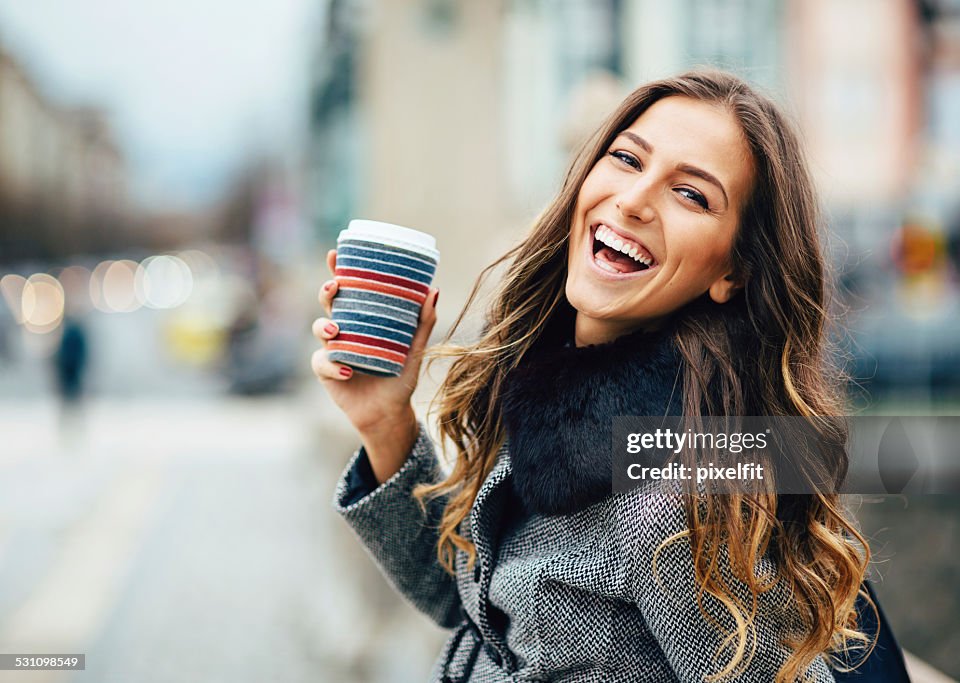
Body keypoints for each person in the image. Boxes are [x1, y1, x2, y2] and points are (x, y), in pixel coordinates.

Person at [311, 70, 909, 682]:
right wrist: (386, 422)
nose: (632, 199)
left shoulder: (679, 488)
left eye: (692, 195)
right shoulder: (544, 384)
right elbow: (476, 605)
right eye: (626, 158)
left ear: (732, 271)